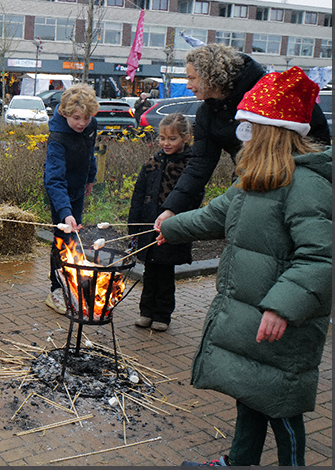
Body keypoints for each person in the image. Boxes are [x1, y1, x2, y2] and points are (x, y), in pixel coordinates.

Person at [157, 67, 332, 467]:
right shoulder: (254, 178)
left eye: (248, 128)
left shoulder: (307, 185)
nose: (242, 137)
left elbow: (320, 257)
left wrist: (282, 305)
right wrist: (170, 226)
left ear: (270, 132)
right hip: (249, 314)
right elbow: (215, 215)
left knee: (281, 408)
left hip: (281, 321)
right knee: (250, 392)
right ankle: (239, 461)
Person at [154, 44, 330, 231]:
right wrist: (173, 208)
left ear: (210, 76)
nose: (188, 85)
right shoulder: (207, 112)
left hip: (293, 181)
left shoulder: (270, 92)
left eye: (191, 78)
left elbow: (317, 141)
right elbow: (200, 164)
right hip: (250, 179)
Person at [126, 113, 197, 332]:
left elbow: (192, 196)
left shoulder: (190, 166)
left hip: (172, 227)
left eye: (172, 139)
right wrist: (134, 227)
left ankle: (162, 315)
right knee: (150, 272)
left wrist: (178, 221)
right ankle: (146, 311)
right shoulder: (152, 163)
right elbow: (138, 195)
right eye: (163, 138)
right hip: (149, 224)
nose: (166, 143)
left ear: (185, 138)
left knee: (165, 273)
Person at [42, 83, 99, 314]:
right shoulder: (57, 137)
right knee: (61, 238)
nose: (81, 123)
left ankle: (71, 281)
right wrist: (65, 212)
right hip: (59, 191)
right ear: (65, 113)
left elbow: (89, 153)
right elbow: (53, 179)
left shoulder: (90, 125)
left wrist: (90, 178)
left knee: (74, 239)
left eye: (86, 118)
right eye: (76, 118)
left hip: (78, 187)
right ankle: (56, 288)